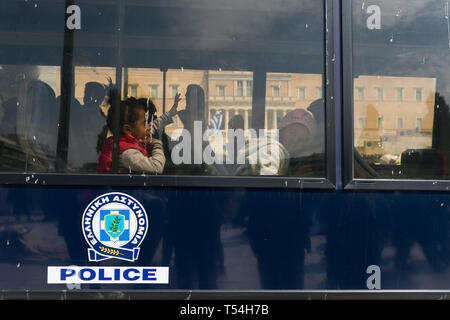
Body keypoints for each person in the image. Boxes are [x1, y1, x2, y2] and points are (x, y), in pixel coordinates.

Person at [97, 93, 181, 174]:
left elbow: (152, 126)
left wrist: (169, 114)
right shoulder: (129, 153)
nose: (148, 127)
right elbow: (157, 167)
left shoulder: (128, 138)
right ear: (127, 129)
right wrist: (156, 144)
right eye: (144, 123)